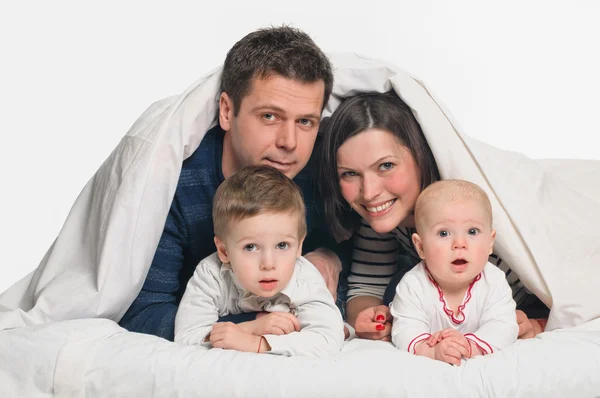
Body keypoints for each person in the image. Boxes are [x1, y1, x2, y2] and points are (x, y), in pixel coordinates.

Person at [120, 26, 348, 341]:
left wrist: (331, 255)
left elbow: (371, 255)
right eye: (270, 116)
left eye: (305, 121)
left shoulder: (324, 168)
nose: (289, 142)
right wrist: (251, 326)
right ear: (227, 112)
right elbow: (143, 312)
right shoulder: (174, 183)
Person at [317, 91, 548, 342]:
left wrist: (540, 322)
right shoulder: (383, 216)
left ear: (420, 154)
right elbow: (367, 286)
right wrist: (372, 319)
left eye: (386, 166)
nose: (370, 192)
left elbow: (565, 284)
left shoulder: (470, 207)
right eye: (350, 174)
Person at [174, 165, 344, 356]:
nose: (268, 264)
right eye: (250, 247)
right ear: (223, 250)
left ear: (299, 246)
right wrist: (251, 328)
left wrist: (259, 343)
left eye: (282, 245)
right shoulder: (211, 274)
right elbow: (185, 337)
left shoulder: (304, 277)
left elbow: (328, 339)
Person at [390, 179, 518, 365]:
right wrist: (432, 350)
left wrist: (469, 346)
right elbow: (405, 330)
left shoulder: (495, 281)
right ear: (421, 247)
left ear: (490, 243)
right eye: (444, 233)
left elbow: (503, 326)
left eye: (472, 231)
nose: (460, 243)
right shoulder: (413, 285)